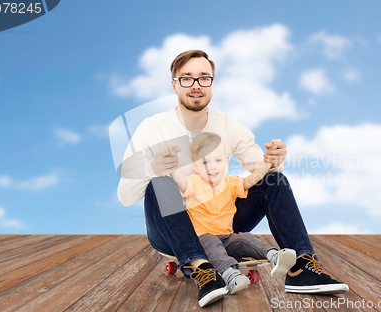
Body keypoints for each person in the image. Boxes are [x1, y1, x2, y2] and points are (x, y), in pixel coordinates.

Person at [117, 50, 349, 307]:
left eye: (204, 78)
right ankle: (203, 270)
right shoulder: (152, 128)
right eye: (187, 79)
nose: (196, 85)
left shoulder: (227, 125)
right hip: (171, 231)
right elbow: (126, 196)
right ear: (174, 85)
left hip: (221, 224)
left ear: (212, 84)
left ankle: (301, 267)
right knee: (160, 182)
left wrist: (273, 160)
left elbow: (263, 177)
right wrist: (152, 167)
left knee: (274, 180)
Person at [160, 133, 297, 295]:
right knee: (211, 241)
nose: (212, 167)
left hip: (227, 238)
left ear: (226, 160)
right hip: (202, 241)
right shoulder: (193, 183)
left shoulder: (230, 183)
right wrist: (173, 164)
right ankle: (229, 274)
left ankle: (274, 255)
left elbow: (253, 179)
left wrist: (267, 161)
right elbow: (179, 180)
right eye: (204, 162)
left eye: (217, 160)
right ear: (195, 166)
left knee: (245, 237)